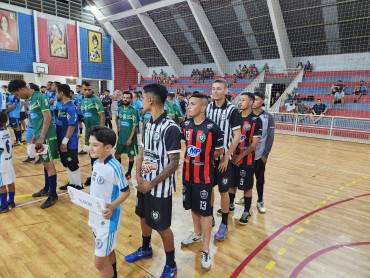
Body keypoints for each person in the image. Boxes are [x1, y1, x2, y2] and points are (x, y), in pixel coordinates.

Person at [124, 83, 181, 278]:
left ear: (150, 100)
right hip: (144, 184)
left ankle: (171, 264)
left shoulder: (171, 128)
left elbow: (174, 163)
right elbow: (141, 151)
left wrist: (150, 183)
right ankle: (146, 249)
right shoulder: (148, 123)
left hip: (160, 189)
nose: (140, 100)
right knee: (143, 217)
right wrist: (138, 177)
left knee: (162, 227)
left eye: (141, 97)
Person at [67, 126, 130, 278]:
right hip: (95, 217)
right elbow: (95, 187)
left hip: (108, 221)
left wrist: (113, 206)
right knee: (108, 252)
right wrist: (79, 193)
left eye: (95, 145)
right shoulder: (96, 163)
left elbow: (126, 191)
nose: (90, 148)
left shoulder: (115, 167)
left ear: (108, 147)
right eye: (90, 144)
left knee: (99, 263)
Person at [180, 93, 224, 270]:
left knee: (206, 213)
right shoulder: (185, 124)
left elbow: (219, 151)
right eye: (189, 104)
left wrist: (204, 157)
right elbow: (186, 147)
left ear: (203, 107)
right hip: (187, 175)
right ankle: (196, 233)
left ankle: (206, 249)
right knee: (192, 206)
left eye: (192, 104)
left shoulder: (213, 128)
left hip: (204, 177)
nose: (188, 107)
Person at [9, 80, 60, 209]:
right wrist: (33, 136)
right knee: (45, 163)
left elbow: (47, 117)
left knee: (49, 165)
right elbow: (38, 120)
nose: (17, 97)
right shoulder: (31, 99)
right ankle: (47, 189)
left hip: (47, 136)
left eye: (16, 94)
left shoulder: (40, 97)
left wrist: (41, 137)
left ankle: (53, 195)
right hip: (40, 136)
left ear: (21, 89)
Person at [206, 79, 241, 241]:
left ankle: (224, 223)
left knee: (223, 191)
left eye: (218, 89)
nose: (215, 91)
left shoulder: (232, 110)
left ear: (226, 91)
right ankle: (210, 216)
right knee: (209, 189)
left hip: (223, 159)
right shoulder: (207, 108)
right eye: (213, 89)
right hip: (209, 158)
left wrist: (226, 157)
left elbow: (237, 136)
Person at [236, 92, 275, 212]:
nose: (254, 102)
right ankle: (245, 196)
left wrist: (265, 154)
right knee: (245, 177)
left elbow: (270, 137)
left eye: (257, 100)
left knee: (260, 179)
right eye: (254, 100)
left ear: (262, 101)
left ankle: (260, 200)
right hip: (246, 155)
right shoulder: (244, 117)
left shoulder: (268, 117)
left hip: (259, 155)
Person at [229, 93, 262, 224]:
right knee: (231, 185)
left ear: (251, 103)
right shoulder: (234, 117)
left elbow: (254, 144)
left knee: (247, 187)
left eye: (243, 100)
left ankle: (246, 211)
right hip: (232, 159)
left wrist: (240, 157)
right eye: (240, 100)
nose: (240, 102)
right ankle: (230, 205)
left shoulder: (256, 120)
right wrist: (231, 156)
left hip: (246, 160)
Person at [55, 84, 83, 190]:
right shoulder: (63, 106)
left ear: (61, 93)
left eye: (57, 92)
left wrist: (64, 142)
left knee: (72, 163)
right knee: (65, 163)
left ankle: (78, 185)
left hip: (69, 142)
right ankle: (72, 183)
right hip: (62, 140)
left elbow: (71, 126)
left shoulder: (70, 107)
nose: (56, 94)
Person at [79, 81, 105, 186]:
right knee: (92, 154)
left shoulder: (95, 99)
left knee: (99, 155)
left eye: (89, 89)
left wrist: (102, 131)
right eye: (85, 89)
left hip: (98, 131)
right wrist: (86, 135)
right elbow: (86, 119)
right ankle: (94, 174)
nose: (88, 91)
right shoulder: (81, 101)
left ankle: (100, 175)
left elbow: (102, 116)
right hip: (89, 132)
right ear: (81, 90)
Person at [115, 91, 138, 180]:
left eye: (127, 98)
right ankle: (120, 171)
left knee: (130, 156)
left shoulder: (134, 110)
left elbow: (135, 125)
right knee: (117, 155)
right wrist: (117, 127)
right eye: (124, 97)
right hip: (121, 137)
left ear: (131, 99)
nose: (125, 99)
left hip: (130, 138)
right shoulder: (120, 108)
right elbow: (116, 118)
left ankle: (129, 173)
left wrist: (130, 138)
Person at [0, 112, 16, 213]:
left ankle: (4, 206)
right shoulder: (7, 132)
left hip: (1, 163)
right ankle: (11, 201)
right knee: (10, 181)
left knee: (1, 185)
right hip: (8, 161)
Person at [22, 83, 38, 163]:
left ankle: (42, 157)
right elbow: (28, 112)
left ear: (33, 90)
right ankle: (31, 156)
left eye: (28, 87)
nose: (26, 88)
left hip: (37, 125)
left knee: (38, 141)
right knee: (28, 140)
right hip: (30, 124)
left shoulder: (37, 99)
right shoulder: (27, 99)